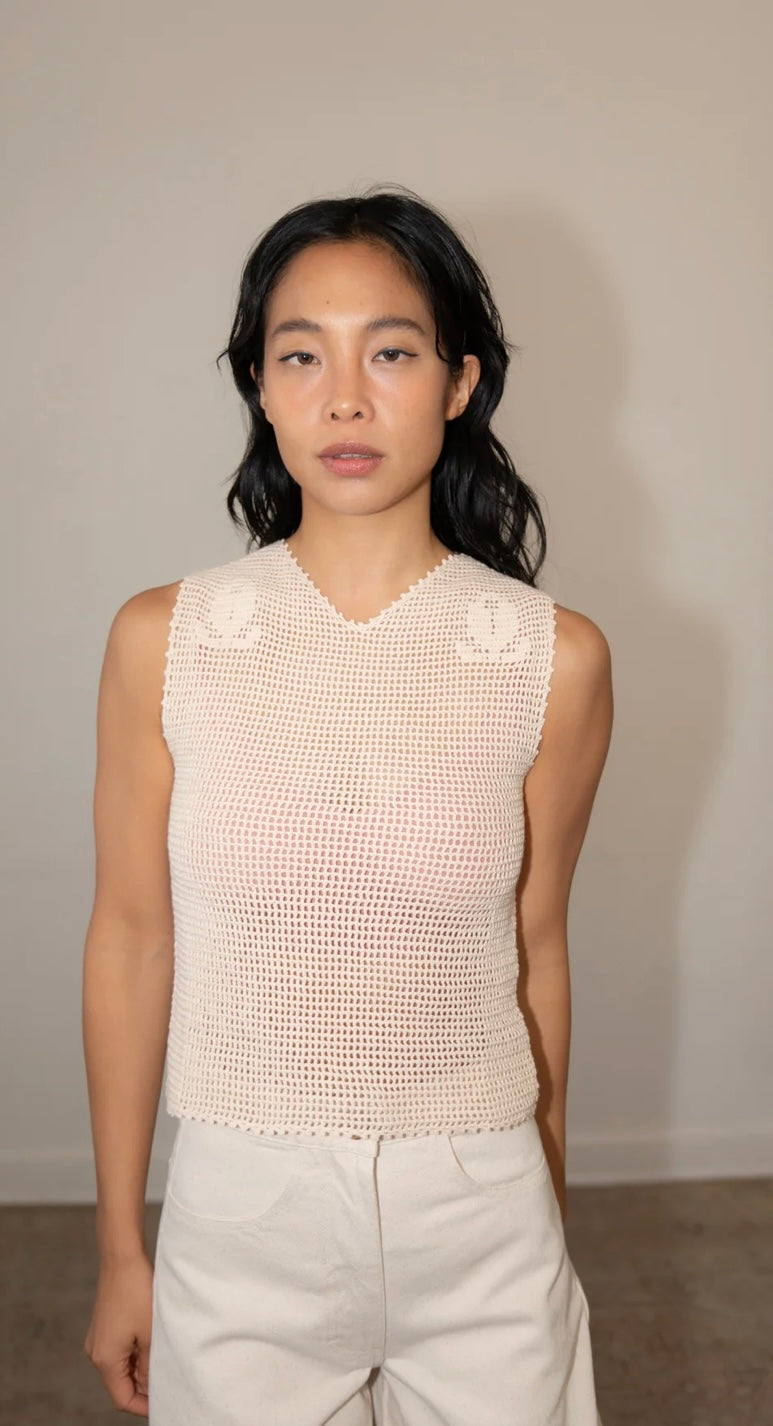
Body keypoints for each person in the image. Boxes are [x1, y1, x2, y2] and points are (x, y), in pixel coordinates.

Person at [82, 184, 613, 1425]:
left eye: (391, 352)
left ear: (459, 381)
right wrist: (119, 1249)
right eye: (299, 355)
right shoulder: (166, 640)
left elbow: (535, 949)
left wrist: (543, 1209)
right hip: (240, 1213)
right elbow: (131, 940)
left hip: (480, 1212)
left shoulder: (551, 656)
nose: (345, 399)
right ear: (258, 386)